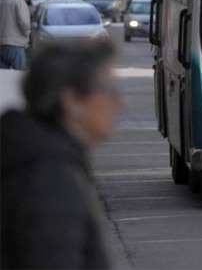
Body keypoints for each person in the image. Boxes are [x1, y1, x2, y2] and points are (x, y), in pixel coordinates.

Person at [1, 40, 120, 269]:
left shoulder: (36, 153)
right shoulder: (50, 175)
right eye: (108, 90)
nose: (119, 103)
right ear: (71, 100)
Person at [0, 0, 31, 70]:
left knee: (3, 77)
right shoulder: (19, 1)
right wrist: (26, 35)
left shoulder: (0, 1)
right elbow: (24, 22)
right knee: (19, 75)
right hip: (16, 45)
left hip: (1, 45)